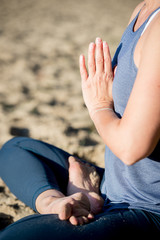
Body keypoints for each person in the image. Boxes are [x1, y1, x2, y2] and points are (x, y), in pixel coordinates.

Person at [0, 0, 160, 239]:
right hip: (111, 187)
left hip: (147, 210)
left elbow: (131, 147)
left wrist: (99, 107)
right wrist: (54, 201)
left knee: (15, 236)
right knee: (16, 150)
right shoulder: (143, 9)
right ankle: (61, 201)